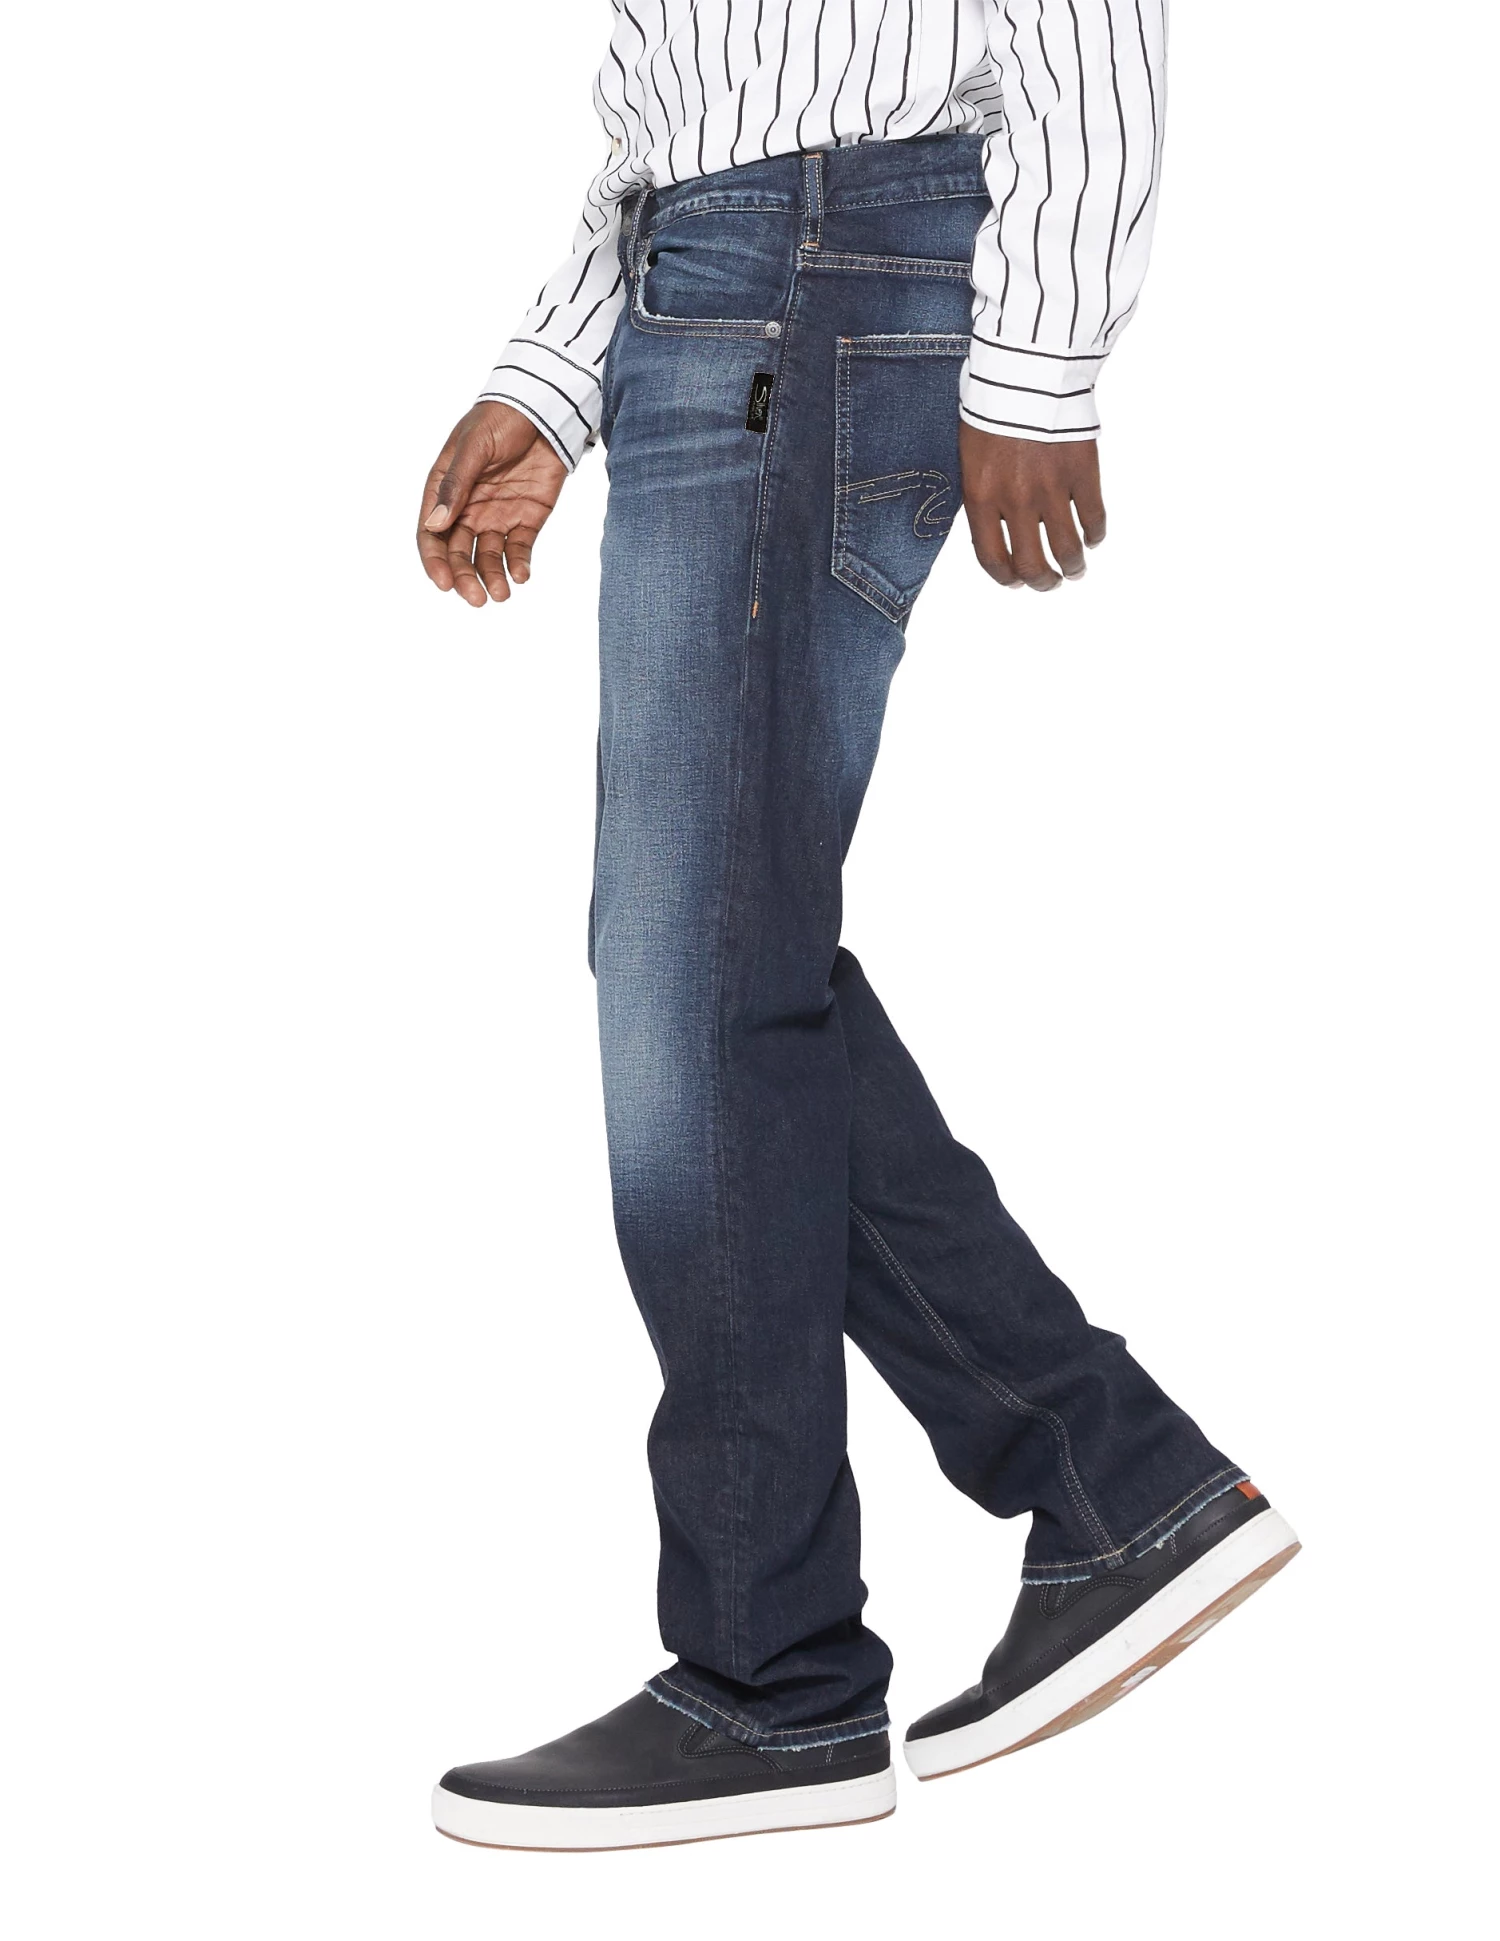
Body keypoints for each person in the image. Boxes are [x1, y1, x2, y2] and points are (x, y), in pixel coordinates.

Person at [418, 4, 1298, 1853]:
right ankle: (1105, 1478)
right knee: (714, 970)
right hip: (713, 289)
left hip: (819, 279)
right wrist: (559, 370)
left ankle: (775, 1675)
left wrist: (1040, 367)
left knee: (698, 987)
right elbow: (677, 82)